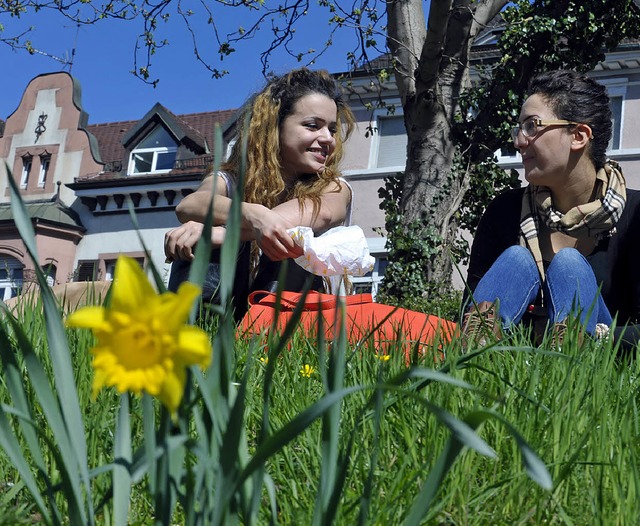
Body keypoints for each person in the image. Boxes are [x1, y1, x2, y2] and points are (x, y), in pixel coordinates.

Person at [462, 69, 640, 353]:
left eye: (532, 126)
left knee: (569, 264)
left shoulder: (636, 215)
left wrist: (597, 337)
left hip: (601, 361)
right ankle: (475, 360)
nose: (519, 141)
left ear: (579, 136)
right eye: (519, 129)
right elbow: (465, 310)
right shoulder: (504, 212)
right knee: (517, 259)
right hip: (513, 360)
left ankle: (569, 351)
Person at [164, 68, 355, 320]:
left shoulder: (334, 187)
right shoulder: (229, 180)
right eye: (312, 126)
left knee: (291, 240)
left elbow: (312, 215)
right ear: (273, 126)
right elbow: (191, 205)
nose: (327, 138)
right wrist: (254, 215)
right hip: (229, 309)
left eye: (331, 129)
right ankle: (198, 334)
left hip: (295, 318)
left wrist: (220, 231)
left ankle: (267, 336)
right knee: (202, 237)